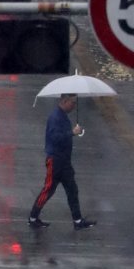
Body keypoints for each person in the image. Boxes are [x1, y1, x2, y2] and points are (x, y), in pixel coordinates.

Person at [29, 94, 95, 229]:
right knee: (48, 190)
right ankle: (33, 218)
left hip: (64, 161)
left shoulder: (62, 116)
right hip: (55, 161)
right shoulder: (55, 117)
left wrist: (75, 132)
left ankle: (77, 221)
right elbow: (55, 138)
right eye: (72, 102)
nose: (74, 105)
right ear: (64, 101)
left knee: (72, 190)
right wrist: (71, 133)